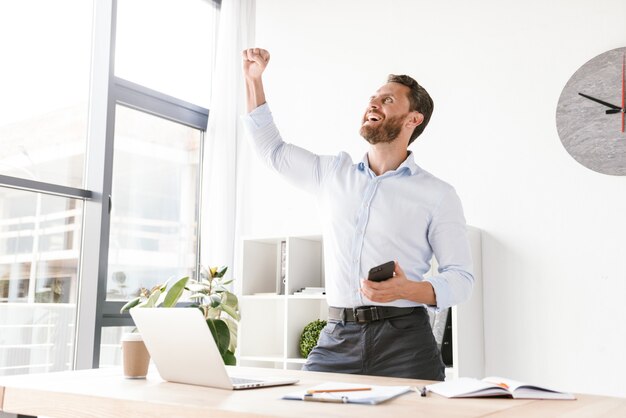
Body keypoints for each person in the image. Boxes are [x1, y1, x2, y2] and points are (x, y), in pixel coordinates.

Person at [241, 48, 473, 381]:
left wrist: (408, 289)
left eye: (388, 100)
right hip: (337, 337)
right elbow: (271, 151)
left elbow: (461, 279)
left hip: (405, 342)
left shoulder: (437, 194)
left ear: (413, 119)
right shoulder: (332, 174)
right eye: (373, 98)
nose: (374, 104)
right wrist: (253, 81)